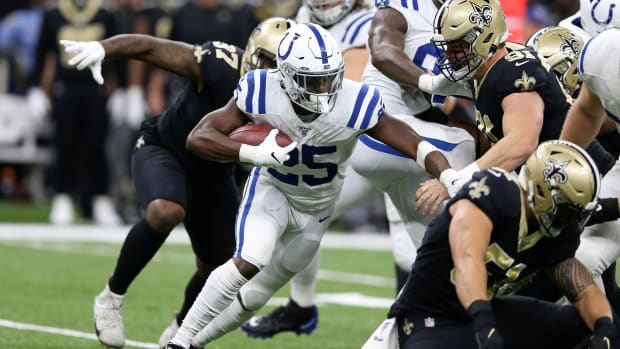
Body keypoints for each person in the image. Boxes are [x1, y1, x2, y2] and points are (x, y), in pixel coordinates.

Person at [165, 22, 460, 349]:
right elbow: (198, 138)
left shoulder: (355, 102)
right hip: (273, 191)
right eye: (313, 81)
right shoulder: (261, 89)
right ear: (287, 76)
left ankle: (193, 343)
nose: (323, 88)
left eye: (329, 77)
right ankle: (180, 341)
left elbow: (413, 143)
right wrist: (253, 153)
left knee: (256, 295)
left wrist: (445, 171)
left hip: (316, 211)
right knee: (250, 258)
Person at [240, 0, 479, 339]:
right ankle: (300, 306)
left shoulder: (372, 19)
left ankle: (414, 322)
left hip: (388, 134)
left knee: (414, 246)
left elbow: (347, 99)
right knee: (303, 215)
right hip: (376, 137)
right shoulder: (314, 17)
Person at [60, 17, 295, 349]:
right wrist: (103, 47)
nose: (272, 71)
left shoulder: (294, 95)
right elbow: (152, 48)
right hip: (166, 149)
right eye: (267, 61)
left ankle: (182, 325)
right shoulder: (220, 65)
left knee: (220, 266)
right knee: (165, 211)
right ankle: (112, 297)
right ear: (251, 55)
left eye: (280, 65)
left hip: (214, 174)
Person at [364, 140, 618, 349]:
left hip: (485, 311)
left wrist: (604, 326)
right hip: (430, 316)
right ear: (540, 193)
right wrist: (484, 322)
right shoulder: (494, 191)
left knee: (593, 325)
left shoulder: (556, 229)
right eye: (568, 212)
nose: (573, 223)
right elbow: (467, 259)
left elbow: (583, 289)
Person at [415, 0, 615, 207]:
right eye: (446, 46)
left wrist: (457, 181)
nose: (448, 55)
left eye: (456, 47)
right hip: (562, 182)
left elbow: (521, 143)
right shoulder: (488, 63)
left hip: (590, 183)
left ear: (486, 38)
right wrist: (428, 83)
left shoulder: (513, 74)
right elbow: (454, 81)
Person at [31, 0, 120, 226]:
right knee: (64, 144)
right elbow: (44, 53)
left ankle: (100, 199)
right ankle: (63, 197)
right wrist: (37, 88)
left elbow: (117, 55)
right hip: (65, 89)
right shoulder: (54, 15)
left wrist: (121, 89)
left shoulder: (105, 15)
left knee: (97, 145)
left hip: (95, 89)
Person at [559, 9, 620, 302]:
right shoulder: (603, 54)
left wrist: (610, 207)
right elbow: (587, 108)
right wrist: (558, 162)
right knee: (578, 260)